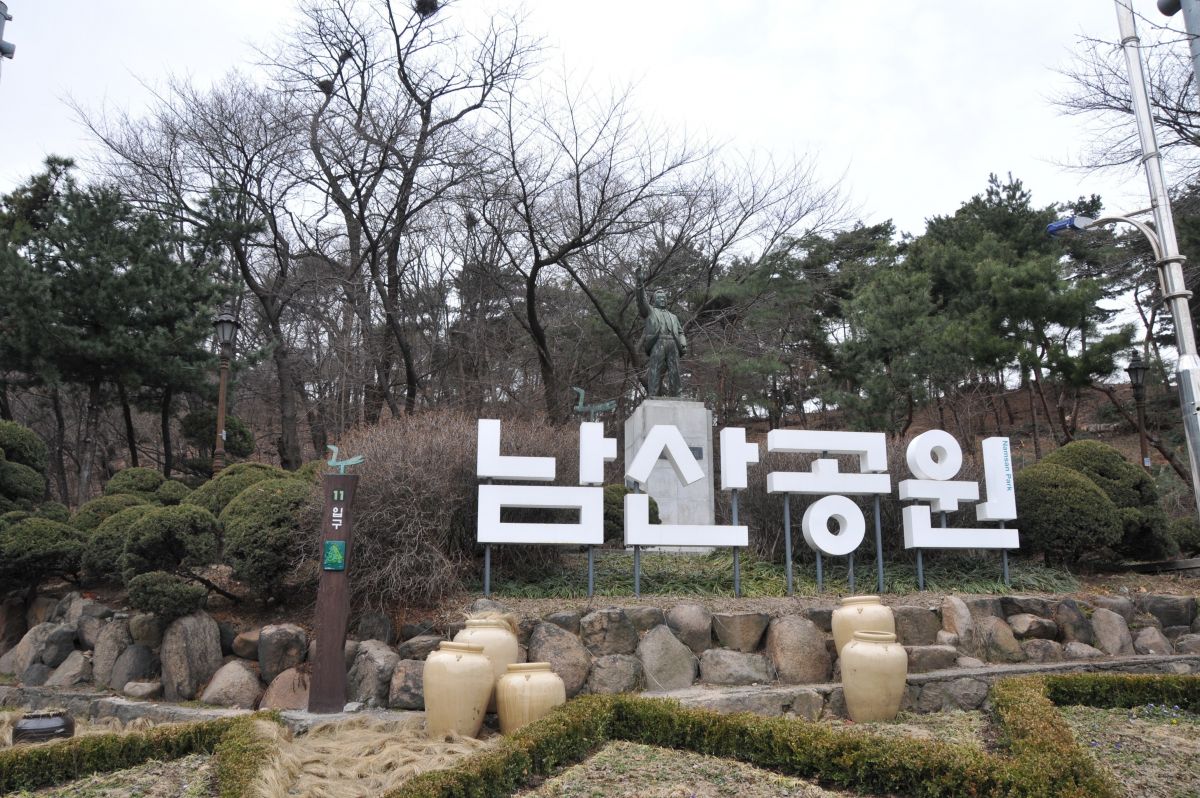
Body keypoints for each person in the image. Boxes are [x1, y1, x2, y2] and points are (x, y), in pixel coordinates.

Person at [635, 270, 687, 397]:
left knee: (675, 370)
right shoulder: (650, 312)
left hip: (673, 343)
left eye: (664, 298)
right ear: (654, 301)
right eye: (659, 298)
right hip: (657, 342)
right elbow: (642, 301)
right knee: (655, 369)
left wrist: (683, 343)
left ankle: (677, 394)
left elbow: (680, 332)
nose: (662, 299)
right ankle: (653, 394)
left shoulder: (673, 317)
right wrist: (640, 283)